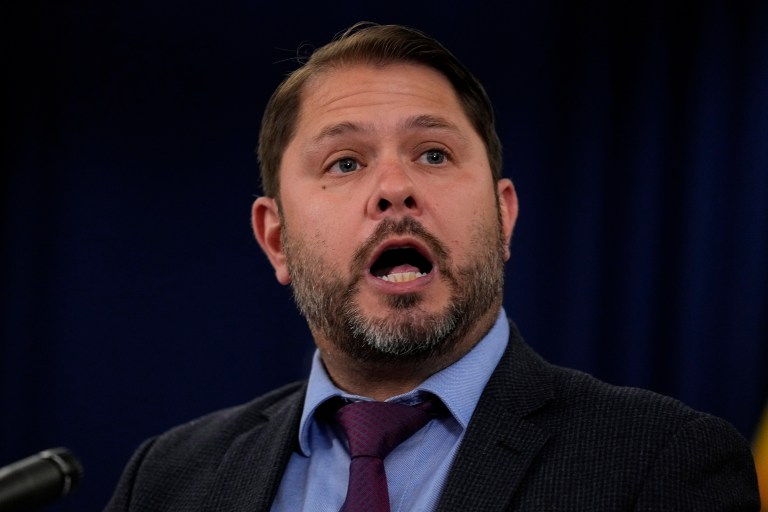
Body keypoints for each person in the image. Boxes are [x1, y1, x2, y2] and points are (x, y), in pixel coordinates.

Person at [105, 22, 760, 511]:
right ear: (275, 239)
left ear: (504, 218)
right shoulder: (165, 481)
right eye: (345, 162)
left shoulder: (663, 463)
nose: (394, 187)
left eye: (435, 155)